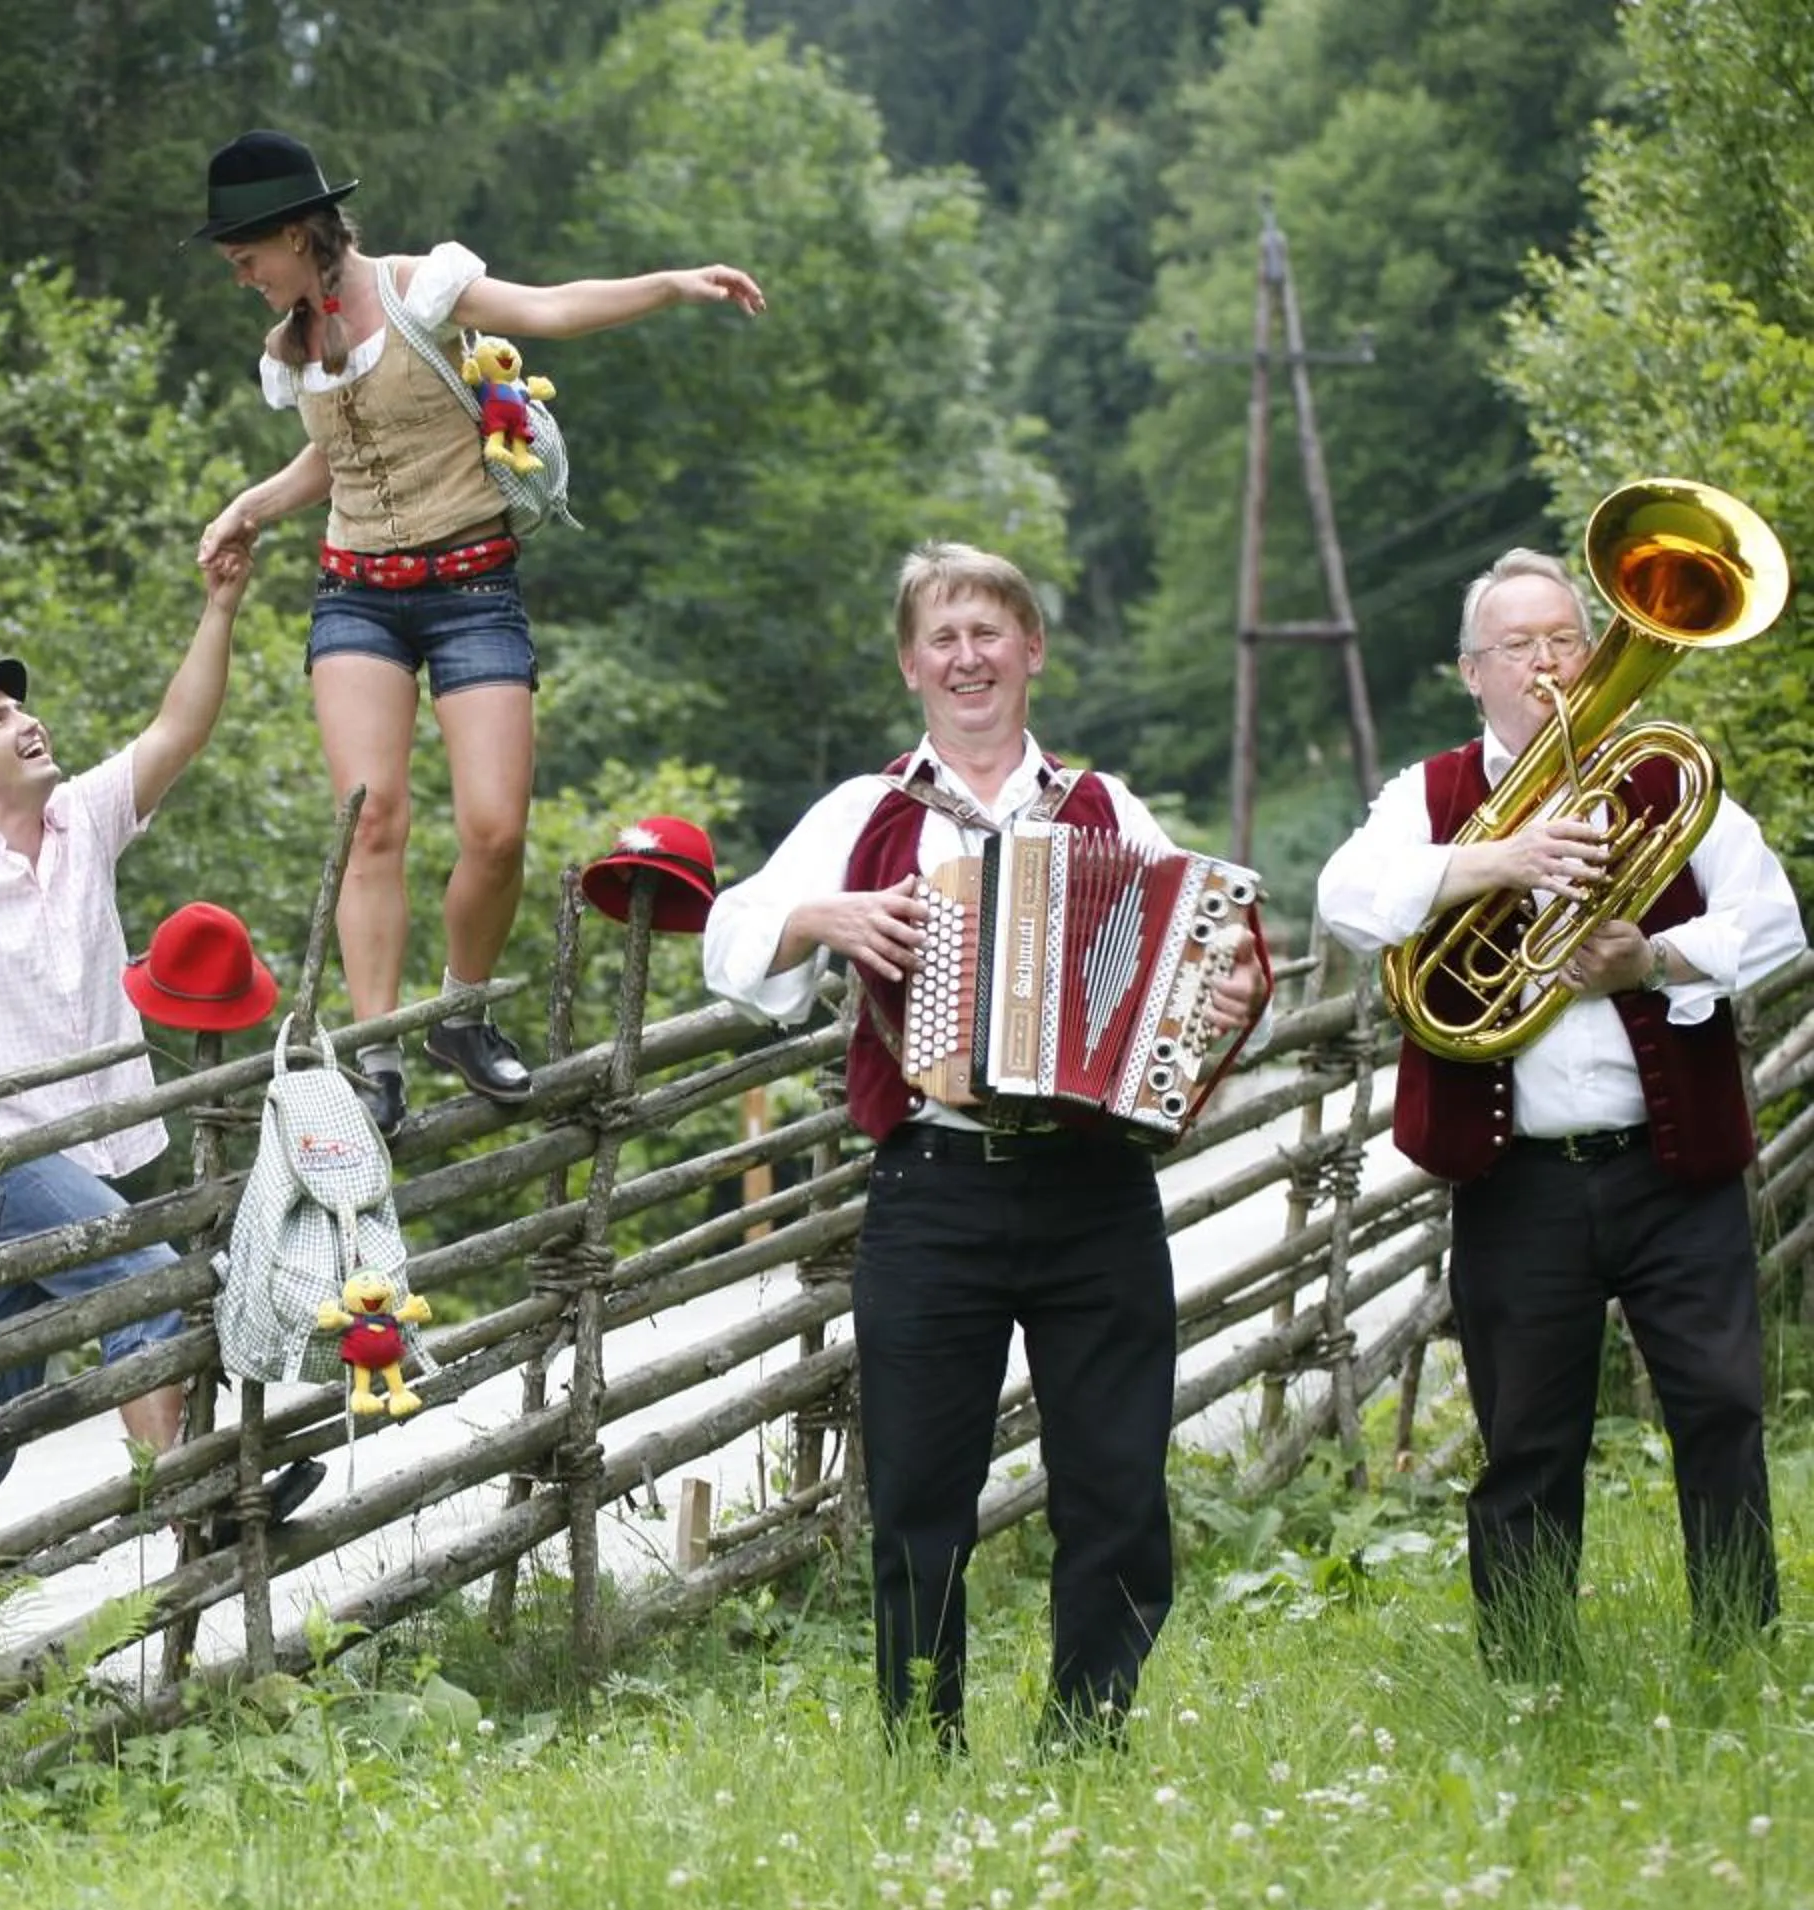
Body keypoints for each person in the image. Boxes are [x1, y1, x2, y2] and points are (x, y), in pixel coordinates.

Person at [703, 541, 1264, 1747]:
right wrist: (823, 914)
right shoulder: (868, 812)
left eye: (989, 632)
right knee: (917, 1490)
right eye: (943, 636)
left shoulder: (1109, 809)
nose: (968, 657)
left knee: (1115, 1483)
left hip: (1095, 1188)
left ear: (1033, 650)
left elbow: (1194, 963)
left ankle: (1089, 1733)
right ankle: (921, 1741)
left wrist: (1206, 1003)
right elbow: (730, 938)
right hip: (933, 1184)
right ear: (912, 663)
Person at [189, 128, 765, 1135]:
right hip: (356, 592)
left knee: (496, 828)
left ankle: (458, 1010)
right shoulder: (290, 348)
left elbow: (550, 309)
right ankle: (375, 1055)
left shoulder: (422, 290)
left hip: (470, 585)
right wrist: (251, 503)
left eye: (246, 259)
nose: (240, 279)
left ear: (294, 232)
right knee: (371, 819)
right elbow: (335, 458)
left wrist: (672, 283)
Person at [1315, 547, 1805, 1671]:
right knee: (1529, 1438)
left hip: (1673, 1167)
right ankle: (1532, 1673)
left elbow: (1775, 921)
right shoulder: (1430, 795)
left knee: (1723, 1410)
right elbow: (1347, 895)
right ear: (1469, 671)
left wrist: (1655, 956)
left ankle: (1739, 1650)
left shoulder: (1661, 773)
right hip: (1520, 1180)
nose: (1546, 665)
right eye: (1519, 647)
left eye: (1564, 641)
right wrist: (1498, 859)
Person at [0, 546, 324, 1533]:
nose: (26, 721)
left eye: (18, 709)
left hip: (97, 1153)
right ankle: (194, 1498)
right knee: (147, 1282)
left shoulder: (84, 820)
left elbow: (179, 728)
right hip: (0, 1159)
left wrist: (220, 605)